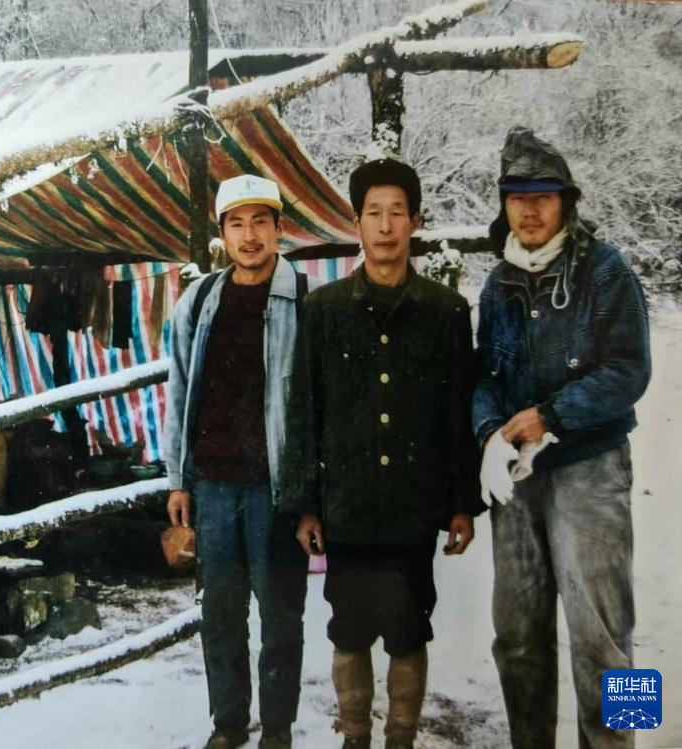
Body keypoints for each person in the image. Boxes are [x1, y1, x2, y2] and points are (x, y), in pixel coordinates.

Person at [279, 158, 482, 749]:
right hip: (347, 505)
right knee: (349, 630)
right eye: (375, 213)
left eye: (398, 213)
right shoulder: (323, 310)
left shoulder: (447, 311)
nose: (386, 226)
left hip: (413, 507)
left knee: (407, 629)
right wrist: (306, 505)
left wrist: (461, 503)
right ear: (358, 223)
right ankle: (355, 737)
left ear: (416, 221)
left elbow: (457, 415)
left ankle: (401, 738)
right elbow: (304, 411)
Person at [473, 126, 651, 749]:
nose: (529, 210)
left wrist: (551, 414)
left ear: (566, 203)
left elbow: (630, 370)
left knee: (607, 636)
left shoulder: (607, 270)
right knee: (516, 637)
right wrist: (489, 433)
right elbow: (485, 377)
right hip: (517, 479)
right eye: (517, 198)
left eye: (542, 197)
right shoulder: (497, 284)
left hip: (592, 471)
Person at [163, 175, 312, 749]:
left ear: (279, 229)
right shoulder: (200, 301)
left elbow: (316, 404)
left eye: (260, 223)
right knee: (221, 614)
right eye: (237, 225)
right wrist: (178, 480)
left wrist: (308, 492)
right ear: (222, 234)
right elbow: (180, 390)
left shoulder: (304, 300)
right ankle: (228, 724)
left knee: (281, 615)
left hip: (277, 487)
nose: (249, 236)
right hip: (214, 484)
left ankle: (277, 728)